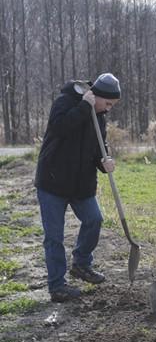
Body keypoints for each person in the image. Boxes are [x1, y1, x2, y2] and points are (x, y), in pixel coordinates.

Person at [35, 73, 121, 303]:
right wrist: (85, 107)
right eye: (108, 103)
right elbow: (60, 128)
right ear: (98, 96)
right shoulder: (66, 102)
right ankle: (57, 286)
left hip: (80, 183)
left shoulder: (100, 116)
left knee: (94, 219)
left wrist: (105, 163)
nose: (109, 108)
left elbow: (98, 149)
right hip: (53, 181)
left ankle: (81, 264)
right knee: (54, 237)